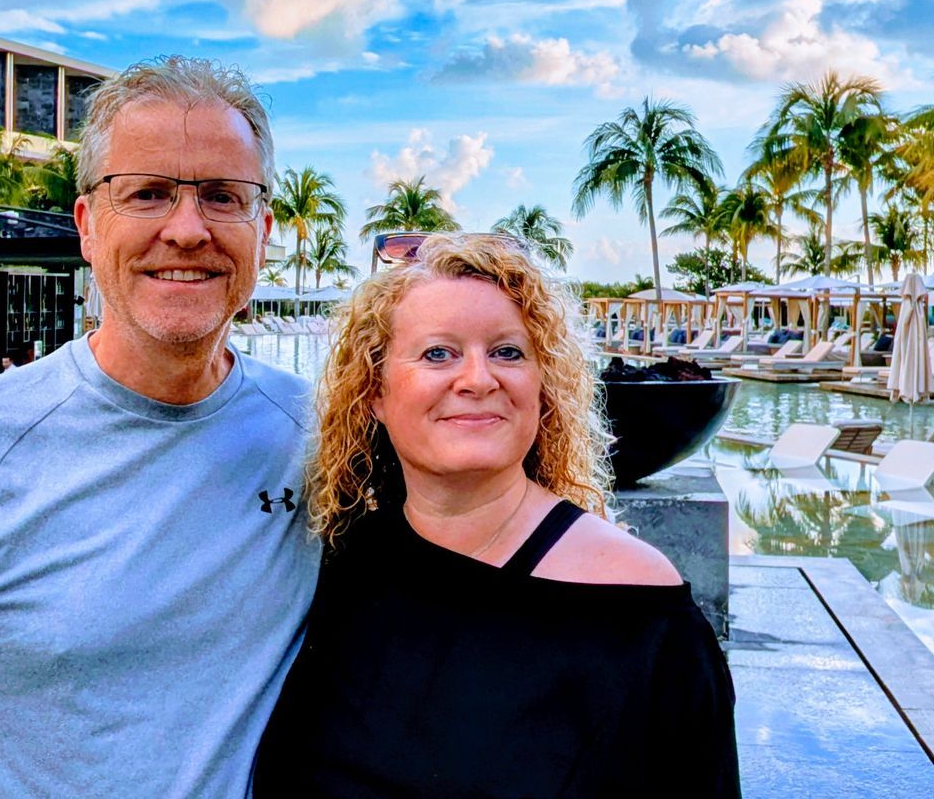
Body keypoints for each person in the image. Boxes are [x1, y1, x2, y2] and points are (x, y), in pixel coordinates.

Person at [0, 57, 317, 798]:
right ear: (87, 225)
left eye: (222, 196)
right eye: (146, 194)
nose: (187, 230)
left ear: (263, 230)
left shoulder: (326, 440)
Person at [254, 234, 738, 797]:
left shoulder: (641, 614)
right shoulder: (345, 560)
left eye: (507, 352)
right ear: (374, 394)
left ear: (542, 387)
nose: (478, 379)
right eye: (439, 353)